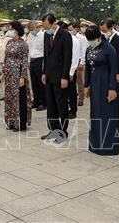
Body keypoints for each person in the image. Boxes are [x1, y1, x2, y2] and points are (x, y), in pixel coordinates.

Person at [83, 25, 119, 155]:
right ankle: (96, 144)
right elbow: (87, 68)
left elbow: (113, 70)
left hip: (106, 84)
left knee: (107, 114)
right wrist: (86, 86)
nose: (91, 41)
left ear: (99, 37)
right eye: (89, 39)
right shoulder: (89, 49)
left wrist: (112, 88)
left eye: (93, 39)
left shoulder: (109, 49)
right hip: (94, 85)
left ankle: (109, 145)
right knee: (96, 113)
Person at [41, 13, 73, 143]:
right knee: (51, 105)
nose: (45, 29)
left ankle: (63, 132)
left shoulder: (65, 35)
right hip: (49, 76)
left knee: (62, 105)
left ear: (53, 23)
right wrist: (44, 72)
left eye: (47, 26)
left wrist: (65, 76)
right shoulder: (46, 35)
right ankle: (53, 129)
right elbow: (46, 55)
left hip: (60, 77)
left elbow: (67, 57)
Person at [3, 21, 32, 131]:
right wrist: (3, 72)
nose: (9, 31)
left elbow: (24, 62)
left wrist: (22, 77)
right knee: (9, 98)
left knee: (18, 99)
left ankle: (20, 123)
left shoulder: (23, 44)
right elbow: (6, 58)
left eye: (11, 29)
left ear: (17, 30)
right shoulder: (9, 42)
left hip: (18, 74)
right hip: (8, 75)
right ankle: (11, 121)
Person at [26, 21, 46, 111]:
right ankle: (36, 100)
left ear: (37, 27)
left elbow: (45, 51)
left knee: (40, 82)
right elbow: (29, 49)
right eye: (30, 29)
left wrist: (44, 64)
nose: (31, 31)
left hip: (40, 60)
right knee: (33, 82)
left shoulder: (43, 35)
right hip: (32, 60)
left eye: (32, 29)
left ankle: (43, 102)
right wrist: (29, 61)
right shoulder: (31, 36)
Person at [71, 22, 88, 107]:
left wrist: (82, 63)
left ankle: (81, 98)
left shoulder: (81, 38)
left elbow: (84, 51)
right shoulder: (70, 37)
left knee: (79, 81)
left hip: (78, 61)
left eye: (71, 29)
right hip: (71, 61)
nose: (70, 31)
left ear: (76, 28)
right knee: (72, 81)